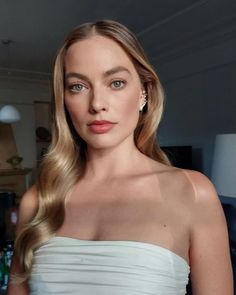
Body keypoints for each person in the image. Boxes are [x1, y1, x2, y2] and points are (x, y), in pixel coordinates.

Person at [7, 19, 233, 295]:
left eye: (116, 83)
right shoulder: (38, 200)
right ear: (64, 101)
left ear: (143, 93)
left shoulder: (193, 193)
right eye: (78, 86)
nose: (97, 104)